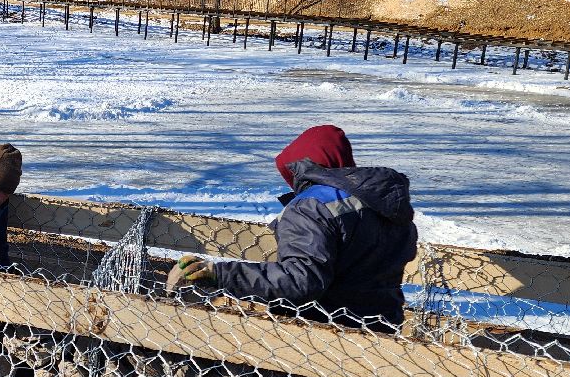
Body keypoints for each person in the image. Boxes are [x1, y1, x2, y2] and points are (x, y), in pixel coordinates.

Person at [168, 125, 416, 329]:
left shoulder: (312, 206)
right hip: (382, 330)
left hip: (324, 336)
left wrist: (218, 273)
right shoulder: (385, 203)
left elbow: (301, 281)